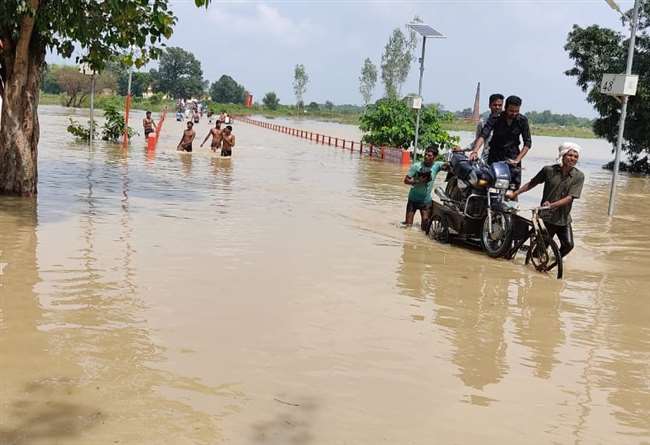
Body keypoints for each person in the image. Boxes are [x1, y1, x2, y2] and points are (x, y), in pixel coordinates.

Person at [507, 142, 584, 257]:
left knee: (568, 245)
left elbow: (569, 198)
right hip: (546, 218)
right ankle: (533, 264)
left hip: (563, 219)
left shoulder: (578, 176)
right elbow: (532, 183)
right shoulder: (549, 170)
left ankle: (552, 263)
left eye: (575, 156)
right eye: (569, 155)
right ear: (562, 156)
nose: (572, 158)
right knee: (539, 251)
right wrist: (515, 193)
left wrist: (551, 205)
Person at [470, 95, 531, 190]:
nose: (514, 114)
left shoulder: (522, 120)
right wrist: (475, 151)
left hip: (513, 159)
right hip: (495, 157)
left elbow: (527, 143)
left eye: (516, 111)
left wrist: (518, 159)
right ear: (505, 108)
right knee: (488, 186)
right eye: (511, 111)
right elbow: (483, 135)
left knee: (512, 189)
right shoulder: (496, 117)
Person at [403, 146, 444, 230]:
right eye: (425, 154)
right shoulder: (416, 166)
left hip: (426, 201)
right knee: (408, 227)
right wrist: (418, 181)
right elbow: (406, 180)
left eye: (429, 155)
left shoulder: (437, 166)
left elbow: (448, 166)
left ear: (435, 157)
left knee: (425, 229)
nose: (426, 157)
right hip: (413, 200)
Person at [474, 93, 504, 162]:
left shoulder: (505, 122)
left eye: (500, 105)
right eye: (495, 105)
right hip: (486, 158)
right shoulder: (482, 122)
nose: (497, 107)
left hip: (502, 159)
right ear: (489, 105)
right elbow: (477, 141)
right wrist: (464, 149)